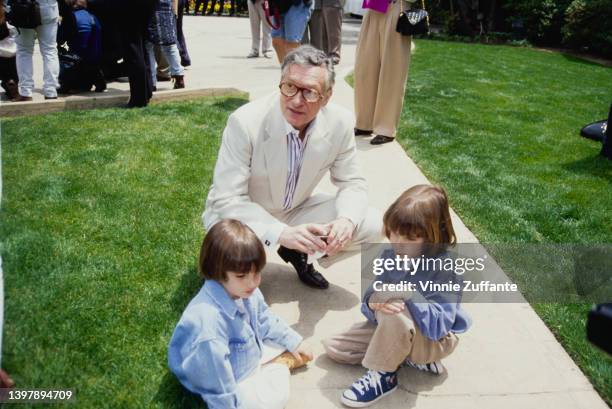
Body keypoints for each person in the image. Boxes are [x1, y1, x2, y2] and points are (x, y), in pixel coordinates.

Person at [203, 45, 383, 290]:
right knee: (234, 282)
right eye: (289, 87)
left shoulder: (339, 122)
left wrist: (346, 221)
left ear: (327, 96)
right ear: (281, 82)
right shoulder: (244, 123)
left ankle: (301, 252)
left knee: (371, 223)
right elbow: (227, 200)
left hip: (294, 210)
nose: (296, 101)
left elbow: (353, 183)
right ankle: (285, 244)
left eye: (309, 92)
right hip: (239, 217)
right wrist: (280, 233)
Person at [323, 185, 472, 407]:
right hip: (399, 330)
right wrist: (374, 303)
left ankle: (384, 375)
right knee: (335, 347)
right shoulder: (391, 256)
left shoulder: (445, 268)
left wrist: (407, 294)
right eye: (394, 232)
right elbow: (371, 300)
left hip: (433, 340)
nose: (397, 242)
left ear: (433, 236)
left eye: (410, 238)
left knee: (397, 307)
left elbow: (440, 326)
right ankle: (403, 356)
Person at [168, 219, 313, 409]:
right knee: (272, 399)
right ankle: (276, 365)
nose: (253, 282)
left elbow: (264, 317)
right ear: (216, 271)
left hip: (243, 350)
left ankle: (271, 363)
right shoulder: (209, 329)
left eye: (257, 273)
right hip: (219, 372)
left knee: (281, 339)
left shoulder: (244, 290)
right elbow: (219, 388)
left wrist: (293, 340)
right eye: (242, 276)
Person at [353, 0, 415, 144]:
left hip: (396, 7)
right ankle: (364, 123)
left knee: (392, 71)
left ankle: (385, 128)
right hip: (373, 8)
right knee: (364, 68)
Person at [12, 0, 60, 101]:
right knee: (50, 51)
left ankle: (26, 92)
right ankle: (51, 91)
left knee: (24, 51)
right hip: (48, 7)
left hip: (24, 6)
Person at [58, 0, 106, 94]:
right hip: (93, 58)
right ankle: (98, 82)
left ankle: (66, 84)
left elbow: (61, 38)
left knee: (60, 52)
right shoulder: (93, 17)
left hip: (76, 58)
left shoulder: (70, 17)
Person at [146, 0, 185, 90]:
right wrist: (175, 12)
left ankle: (151, 83)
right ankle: (179, 78)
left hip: (149, 8)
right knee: (170, 45)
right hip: (166, 7)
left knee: (148, 47)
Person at [307, 0, 342, 64]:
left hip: (329, 4)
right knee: (321, 35)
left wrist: (367, 4)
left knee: (332, 30)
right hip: (314, 5)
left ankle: (333, 55)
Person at [0, 2, 18, 100]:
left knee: (5, 77)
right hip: (14, 55)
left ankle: (8, 82)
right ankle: (12, 81)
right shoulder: (9, 12)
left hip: (1, 56)